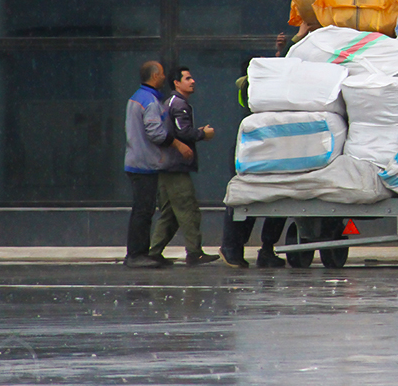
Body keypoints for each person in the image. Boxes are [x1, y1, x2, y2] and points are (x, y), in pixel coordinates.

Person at [219, 23, 309, 268]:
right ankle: (231, 248)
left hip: (270, 145)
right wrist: (295, 40)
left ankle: (267, 250)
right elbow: (278, 80)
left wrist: (286, 49)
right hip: (251, 149)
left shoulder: (261, 85)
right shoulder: (249, 87)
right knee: (246, 199)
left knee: (277, 199)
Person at [149, 66, 220, 266]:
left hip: (166, 165)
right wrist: (203, 134)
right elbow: (183, 132)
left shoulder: (170, 103)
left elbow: (178, 130)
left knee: (170, 213)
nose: (193, 81)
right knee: (188, 209)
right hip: (175, 167)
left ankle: (154, 252)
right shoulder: (178, 104)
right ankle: (194, 252)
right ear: (176, 83)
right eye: (187, 78)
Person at [124, 61, 192, 269]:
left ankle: (142, 253)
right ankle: (137, 254)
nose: (164, 77)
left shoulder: (138, 97)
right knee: (143, 211)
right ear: (154, 77)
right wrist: (178, 144)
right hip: (144, 163)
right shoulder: (150, 102)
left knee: (144, 210)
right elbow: (155, 133)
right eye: (161, 74)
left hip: (138, 161)